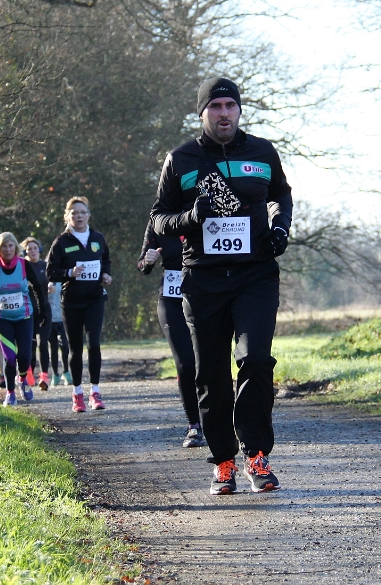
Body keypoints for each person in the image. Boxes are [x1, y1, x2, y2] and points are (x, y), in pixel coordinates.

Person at [151, 77, 292, 494]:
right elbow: (158, 219)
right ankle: (224, 462)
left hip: (255, 275)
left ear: (240, 110)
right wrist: (190, 218)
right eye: (215, 107)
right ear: (202, 113)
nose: (224, 113)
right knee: (211, 374)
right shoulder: (181, 159)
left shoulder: (262, 152)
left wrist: (280, 226)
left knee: (256, 360)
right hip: (203, 280)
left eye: (230, 105)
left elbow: (280, 195)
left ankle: (257, 455)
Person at [137, 220, 204, 448]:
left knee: (208, 362)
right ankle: (194, 425)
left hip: (204, 298)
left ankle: (217, 420)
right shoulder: (158, 221)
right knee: (185, 364)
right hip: (171, 299)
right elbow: (142, 264)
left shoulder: (204, 212)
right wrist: (148, 261)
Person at [45, 197, 112, 412]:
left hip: (94, 298)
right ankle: (77, 394)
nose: (79, 216)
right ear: (67, 217)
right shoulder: (61, 242)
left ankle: (95, 391)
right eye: (74, 213)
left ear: (88, 215)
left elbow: (106, 260)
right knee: (75, 348)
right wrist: (69, 273)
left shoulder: (98, 238)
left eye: (82, 212)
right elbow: (50, 272)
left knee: (94, 344)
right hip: (72, 301)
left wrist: (106, 275)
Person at [0, 232, 51, 406]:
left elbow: (37, 287)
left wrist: (42, 311)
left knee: (24, 356)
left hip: (24, 317)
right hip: (1, 318)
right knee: (9, 357)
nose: (8, 249)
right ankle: (10, 394)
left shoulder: (23, 264)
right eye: (4, 246)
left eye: (10, 246)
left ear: (15, 248)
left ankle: (22, 379)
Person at [21, 237, 52, 391]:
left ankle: (44, 376)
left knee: (43, 343)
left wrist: (52, 285)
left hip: (44, 309)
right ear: (24, 252)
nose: (32, 251)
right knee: (30, 343)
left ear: (39, 250)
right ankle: (28, 373)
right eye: (29, 249)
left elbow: (53, 279)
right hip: (27, 310)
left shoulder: (45, 266)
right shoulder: (22, 267)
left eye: (35, 248)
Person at [48, 280, 72, 385]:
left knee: (65, 345)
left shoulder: (63, 280)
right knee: (53, 347)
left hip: (62, 319)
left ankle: (66, 372)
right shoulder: (46, 281)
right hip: (50, 320)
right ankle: (55, 374)